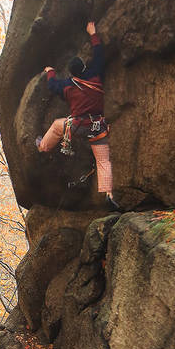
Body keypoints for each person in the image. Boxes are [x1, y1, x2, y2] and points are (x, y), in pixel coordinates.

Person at [36, 21, 120, 210]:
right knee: (103, 160)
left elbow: (52, 86)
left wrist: (50, 72)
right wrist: (93, 34)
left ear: (72, 73)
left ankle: (43, 147)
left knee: (58, 124)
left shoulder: (67, 86)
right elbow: (99, 54)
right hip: (97, 126)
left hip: (76, 127)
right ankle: (108, 193)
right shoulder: (96, 75)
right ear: (84, 66)